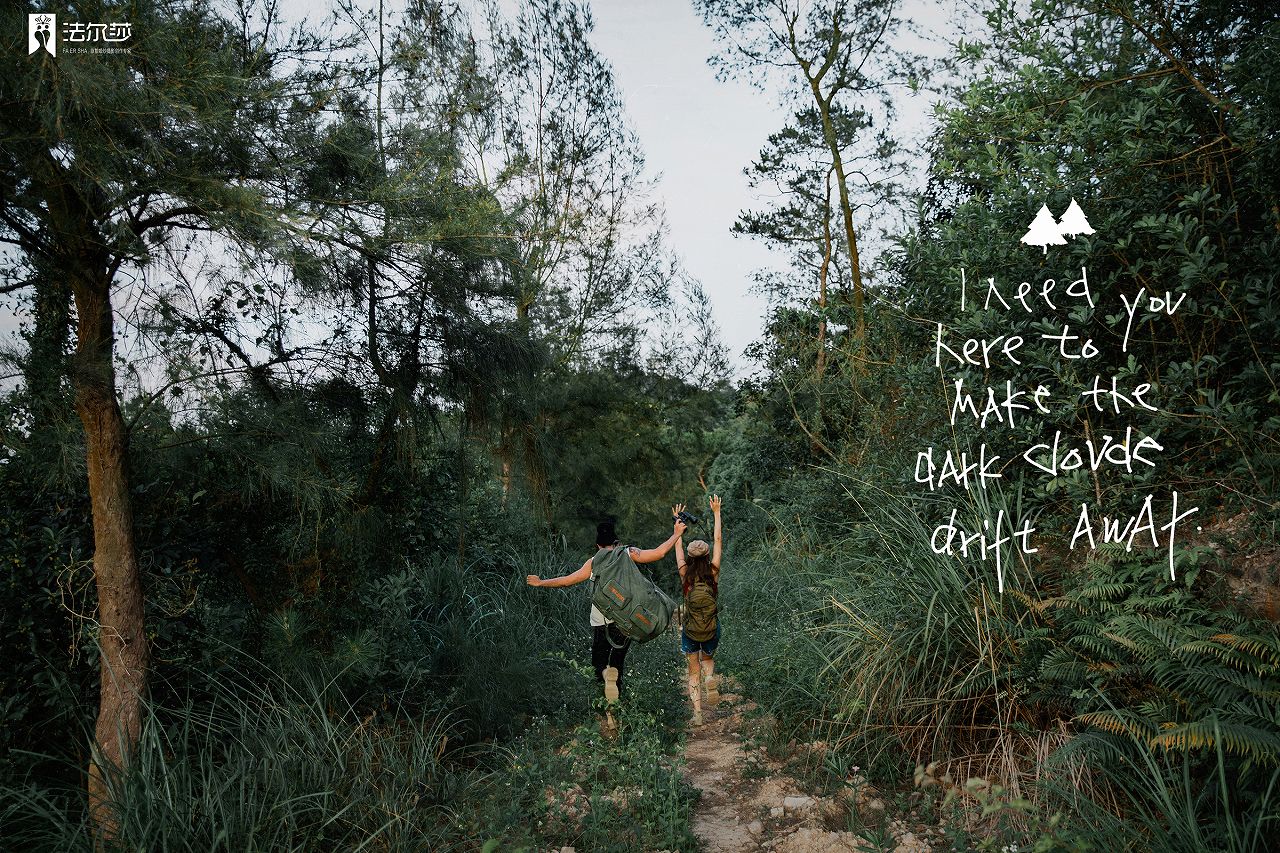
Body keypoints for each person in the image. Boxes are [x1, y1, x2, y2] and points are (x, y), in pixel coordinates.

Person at [527, 514, 686, 704]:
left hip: (600, 622)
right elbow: (658, 553)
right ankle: (616, 705)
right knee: (617, 662)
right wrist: (676, 534)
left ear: (598, 545)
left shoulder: (593, 562)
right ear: (615, 542)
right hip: (626, 619)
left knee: (599, 664)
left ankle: (605, 682)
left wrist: (541, 582)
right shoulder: (628, 553)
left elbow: (566, 581)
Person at [674, 495, 722, 726]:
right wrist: (716, 512)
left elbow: (677, 545)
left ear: (690, 556)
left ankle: (698, 714)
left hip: (691, 629)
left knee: (693, 671)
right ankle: (710, 676)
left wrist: (677, 522)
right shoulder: (714, 571)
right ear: (706, 554)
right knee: (707, 659)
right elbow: (718, 540)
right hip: (711, 626)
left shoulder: (685, 573)